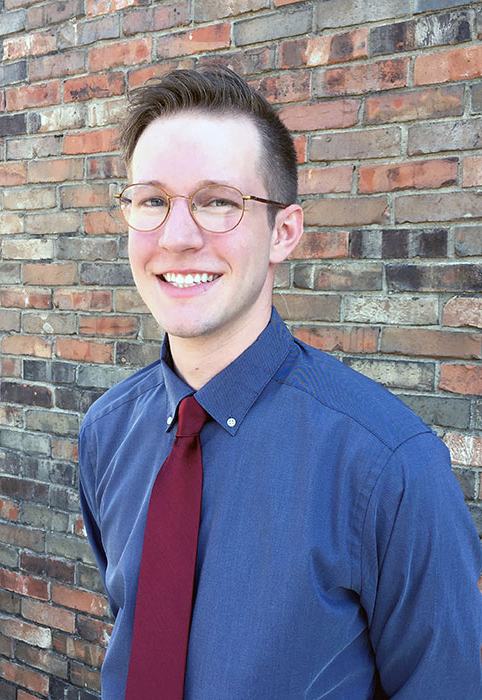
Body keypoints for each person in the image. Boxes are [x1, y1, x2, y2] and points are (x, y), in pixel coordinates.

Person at [78, 67, 482, 700]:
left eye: (218, 202)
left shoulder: (389, 466)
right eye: (152, 200)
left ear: (284, 232)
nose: (177, 237)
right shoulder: (107, 433)